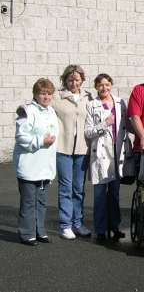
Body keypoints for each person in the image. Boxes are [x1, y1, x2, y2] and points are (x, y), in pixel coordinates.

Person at [13, 78, 59, 246]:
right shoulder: (27, 110)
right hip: (29, 166)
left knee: (41, 202)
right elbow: (21, 137)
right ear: (35, 94)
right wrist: (41, 141)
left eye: (49, 93)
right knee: (28, 202)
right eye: (42, 93)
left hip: (45, 167)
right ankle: (27, 233)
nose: (46, 97)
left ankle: (39, 230)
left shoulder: (51, 111)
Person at [84, 74, 127, 242]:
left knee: (114, 194)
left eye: (107, 84)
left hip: (117, 153)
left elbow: (126, 125)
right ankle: (100, 229)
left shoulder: (120, 103)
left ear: (111, 85)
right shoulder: (92, 105)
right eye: (100, 85)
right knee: (100, 195)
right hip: (101, 155)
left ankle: (114, 226)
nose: (104, 88)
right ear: (96, 87)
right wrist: (105, 124)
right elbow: (88, 132)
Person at [53, 65, 92, 240]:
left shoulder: (88, 97)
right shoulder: (57, 97)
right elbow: (40, 104)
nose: (74, 83)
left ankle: (78, 223)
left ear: (82, 80)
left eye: (77, 79)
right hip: (63, 148)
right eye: (70, 79)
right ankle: (65, 225)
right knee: (65, 188)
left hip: (82, 149)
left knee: (78, 189)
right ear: (65, 80)